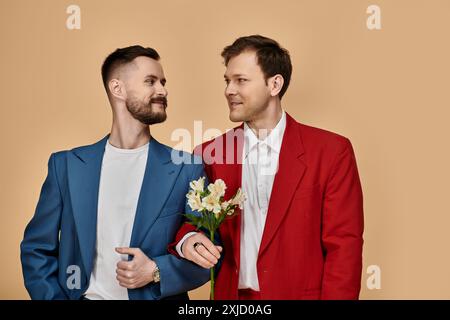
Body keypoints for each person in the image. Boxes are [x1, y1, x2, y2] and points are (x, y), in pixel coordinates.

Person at [169, 35, 364, 300]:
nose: (229, 90)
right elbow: (189, 224)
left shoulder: (331, 151)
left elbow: (344, 246)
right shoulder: (208, 154)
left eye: (241, 80)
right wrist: (187, 240)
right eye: (227, 81)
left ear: (275, 84)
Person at [20, 45, 209, 300]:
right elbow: (37, 249)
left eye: (163, 82)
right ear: (117, 88)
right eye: (150, 81)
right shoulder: (66, 165)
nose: (162, 90)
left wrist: (156, 271)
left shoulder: (187, 169)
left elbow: (208, 255)